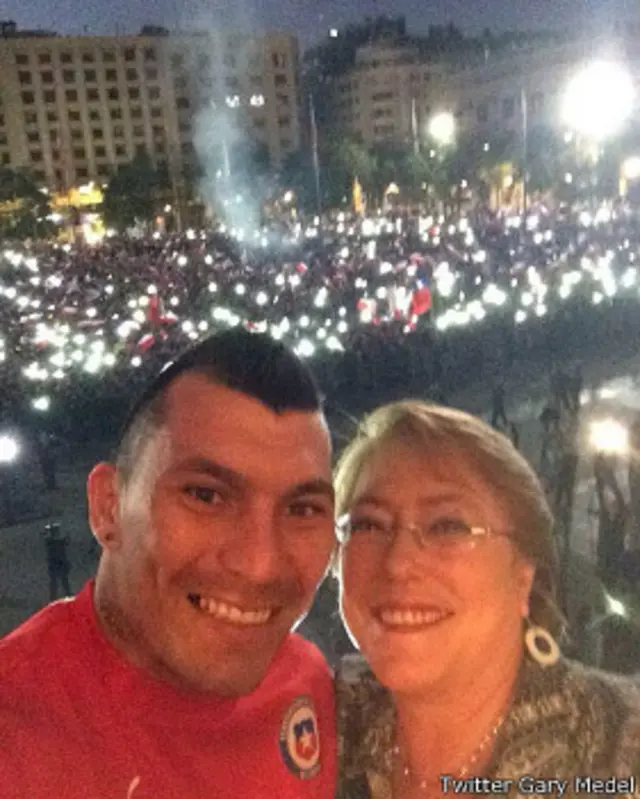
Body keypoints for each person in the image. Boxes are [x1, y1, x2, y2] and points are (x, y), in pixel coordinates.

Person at [0, 330, 338, 798]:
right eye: (206, 495)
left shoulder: (305, 680)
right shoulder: (14, 733)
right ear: (107, 507)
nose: (260, 565)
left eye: (302, 510)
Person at [333, 401, 640, 798]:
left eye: (447, 525)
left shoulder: (621, 749)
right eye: (369, 524)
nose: (398, 563)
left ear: (523, 575)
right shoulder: (314, 725)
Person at [43, 521, 72, 600]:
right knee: (59, 581)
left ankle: (57, 596)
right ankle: (62, 595)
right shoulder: (54, 542)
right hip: (57, 563)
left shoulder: (51, 542)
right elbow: (65, 542)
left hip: (56, 564)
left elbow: (66, 542)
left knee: (60, 581)